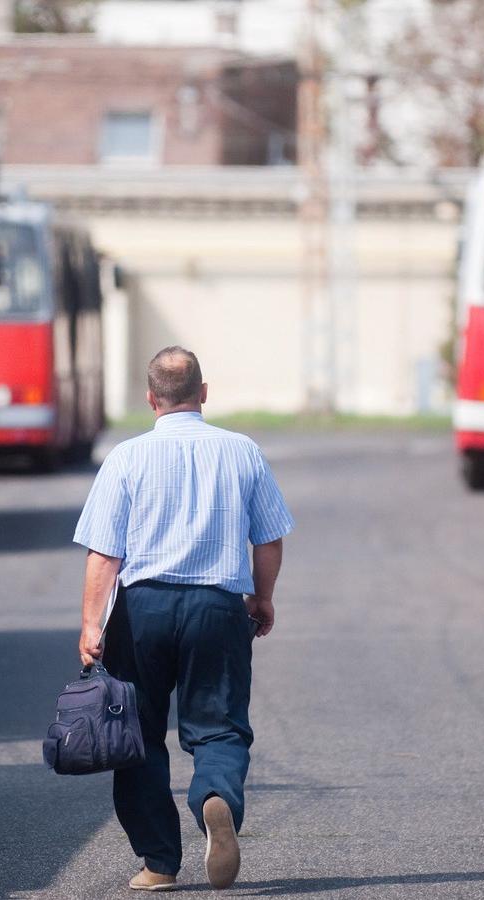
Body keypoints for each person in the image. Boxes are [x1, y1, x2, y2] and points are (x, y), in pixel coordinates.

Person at [73, 346, 293, 892]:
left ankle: (159, 864)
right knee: (218, 725)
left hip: (141, 609)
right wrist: (261, 598)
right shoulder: (242, 452)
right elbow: (267, 536)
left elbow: (104, 555)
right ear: (203, 393)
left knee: (140, 735)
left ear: (151, 399)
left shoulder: (126, 458)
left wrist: (91, 625)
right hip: (218, 607)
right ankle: (216, 796)